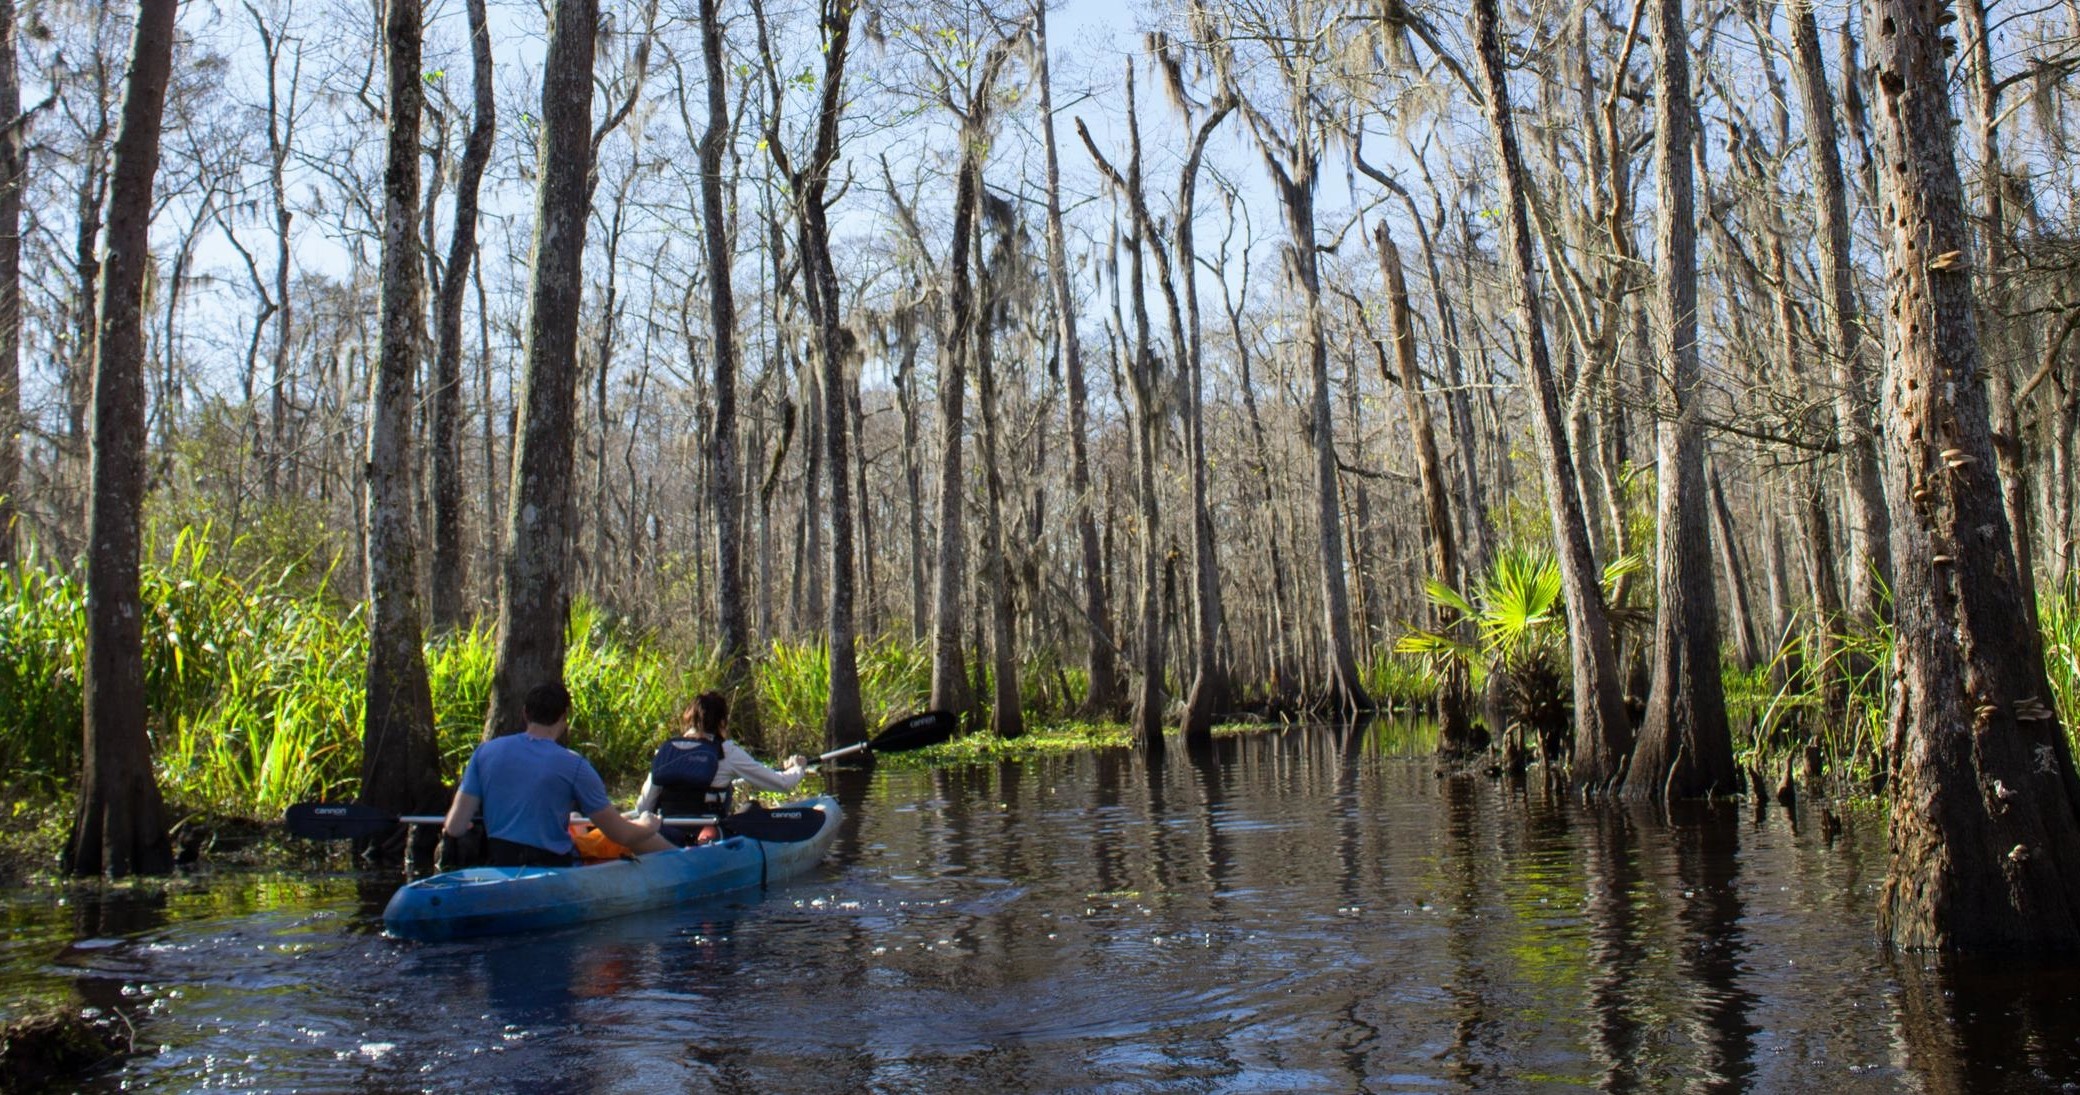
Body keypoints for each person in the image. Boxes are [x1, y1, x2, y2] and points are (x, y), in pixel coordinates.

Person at [443, 681, 673, 866]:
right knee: (642, 835)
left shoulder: (485, 752)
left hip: (500, 863)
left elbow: (454, 827)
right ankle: (687, 862)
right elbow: (621, 835)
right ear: (564, 718)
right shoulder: (575, 765)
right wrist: (647, 824)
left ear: (525, 713)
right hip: (551, 865)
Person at [633, 691, 810, 844]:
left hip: (666, 835)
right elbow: (782, 783)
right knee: (751, 808)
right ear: (722, 722)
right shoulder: (727, 752)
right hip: (706, 836)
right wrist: (797, 768)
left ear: (689, 719)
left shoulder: (666, 752)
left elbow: (643, 808)